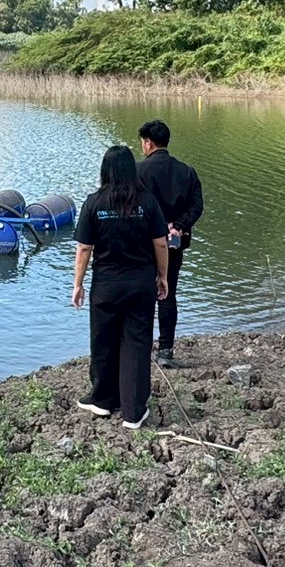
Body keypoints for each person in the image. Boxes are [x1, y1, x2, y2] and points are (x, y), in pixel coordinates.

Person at [72, 145, 170, 429]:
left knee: (103, 341)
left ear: (105, 170)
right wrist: (162, 276)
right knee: (136, 343)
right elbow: (160, 243)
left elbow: (84, 248)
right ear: (131, 170)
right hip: (140, 284)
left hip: (105, 285)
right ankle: (133, 411)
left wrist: (78, 284)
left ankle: (102, 400)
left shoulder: (94, 202)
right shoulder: (147, 201)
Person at [136, 120, 204, 368]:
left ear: (148, 143)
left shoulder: (138, 171)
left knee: (143, 295)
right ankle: (166, 350)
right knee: (168, 293)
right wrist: (178, 225)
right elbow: (197, 205)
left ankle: (140, 347)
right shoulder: (187, 171)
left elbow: (135, 207)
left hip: (144, 244)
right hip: (175, 242)